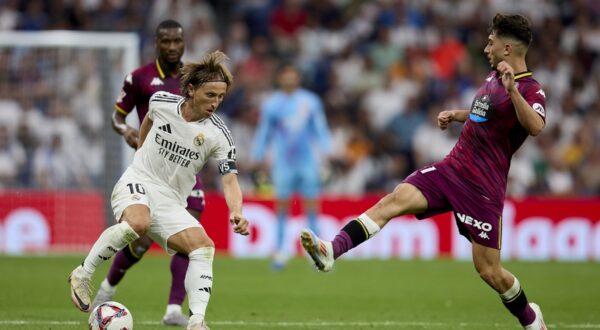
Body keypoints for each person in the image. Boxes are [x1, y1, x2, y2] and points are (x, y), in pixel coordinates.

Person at [300, 13, 547, 330]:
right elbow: (485, 114)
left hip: (482, 189)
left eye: (491, 41)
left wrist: (513, 91)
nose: (486, 47)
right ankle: (331, 250)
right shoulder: (494, 78)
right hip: (452, 169)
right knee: (395, 199)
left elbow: (536, 126)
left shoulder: (529, 88)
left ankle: (531, 319)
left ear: (508, 47)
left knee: (489, 271)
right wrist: (457, 115)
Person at [68, 50, 249, 330]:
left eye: (220, 97)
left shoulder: (218, 134)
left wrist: (237, 211)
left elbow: (229, 180)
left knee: (203, 247)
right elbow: (148, 120)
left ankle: (197, 321)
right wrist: (140, 153)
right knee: (138, 224)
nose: (216, 103)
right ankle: (83, 273)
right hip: (139, 179)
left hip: (172, 201)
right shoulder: (161, 101)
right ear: (191, 89)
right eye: (210, 95)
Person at [92, 19, 206, 326]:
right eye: (165, 41)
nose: (172, 47)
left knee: (191, 230)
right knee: (140, 239)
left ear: (184, 43)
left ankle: (172, 309)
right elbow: (116, 117)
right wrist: (127, 131)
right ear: (156, 42)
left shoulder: (193, 78)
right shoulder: (139, 78)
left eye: (177, 41)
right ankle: (107, 288)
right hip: (152, 169)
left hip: (186, 167)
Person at [251, 63, 331, 270]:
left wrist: (327, 151)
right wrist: (258, 155)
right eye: (285, 76)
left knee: (312, 206)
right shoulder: (272, 104)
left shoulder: (310, 101)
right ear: (280, 79)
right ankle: (280, 251)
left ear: (297, 78)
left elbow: (320, 128)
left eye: (292, 76)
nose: (289, 79)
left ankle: (317, 253)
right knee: (282, 207)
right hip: (283, 163)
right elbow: (264, 131)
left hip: (307, 162)